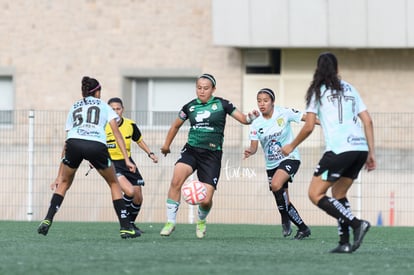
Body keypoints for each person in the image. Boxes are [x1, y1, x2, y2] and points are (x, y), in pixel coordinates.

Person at [281, 52, 376, 253]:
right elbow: (368, 121)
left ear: (318, 69)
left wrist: (292, 146)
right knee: (338, 194)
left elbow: (308, 126)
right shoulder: (350, 88)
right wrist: (371, 153)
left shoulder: (317, 91)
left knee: (315, 194)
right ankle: (344, 242)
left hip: (339, 149)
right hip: (359, 148)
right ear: (337, 69)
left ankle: (357, 224)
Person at [38, 76, 140, 239]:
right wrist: (127, 159)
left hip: (74, 143)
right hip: (96, 145)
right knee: (114, 182)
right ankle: (126, 227)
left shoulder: (75, 106)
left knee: (64, 182)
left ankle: (48, 219)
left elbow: (67, 142)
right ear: (97, 91)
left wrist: (59, 175)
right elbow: (117, 134)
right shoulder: (105, 106)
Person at [159, 73, 260, 238]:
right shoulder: (189, 107)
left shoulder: (222, 104)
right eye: (199, 88)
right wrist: (166, 145)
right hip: (191, 150)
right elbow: (175, 126)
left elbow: (243, 119)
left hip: (212, 155)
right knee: (176, 179)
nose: (202, 91)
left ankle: (201, 220)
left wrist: (251, 117)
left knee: (205, 199)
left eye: (206, 88)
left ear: (213, 89)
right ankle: (170, 222)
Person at [244, 88, 311, 240]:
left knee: (276, 185)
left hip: (290, 158)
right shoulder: (255, 123)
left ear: (272, 102)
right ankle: (303, 228)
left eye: (265, 100)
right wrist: (250, 151)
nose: (262, 104)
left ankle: (284, 218)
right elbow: (254, 146)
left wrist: (326, 124)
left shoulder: (284, 113)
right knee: (283, 198)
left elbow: (307, 118)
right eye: (259, 101)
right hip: (271, 165)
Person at [106, 97, 159, 234]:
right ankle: (124, 222)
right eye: (112, 110)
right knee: (129, 191)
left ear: (122, 109)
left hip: (128, 162)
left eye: (118, 109)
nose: (116, 112)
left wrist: (150, 153)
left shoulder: (130, 124)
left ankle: (130, 223)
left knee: (138, 196)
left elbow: (139, 140)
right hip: (112, 163)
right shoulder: (103, 126)